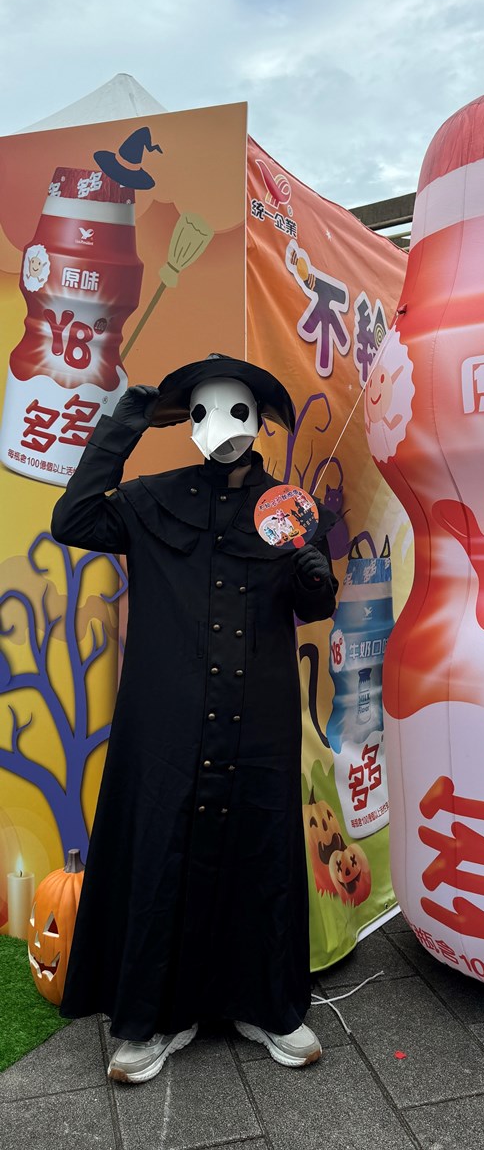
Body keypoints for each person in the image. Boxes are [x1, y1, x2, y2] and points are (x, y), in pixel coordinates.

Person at [51, 353, 339, 1084]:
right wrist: (124, 425)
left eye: (238, 411)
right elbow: (73, 517)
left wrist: (315, 576)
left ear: (259, 421)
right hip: (166, 721)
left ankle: (266, 1007)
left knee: (259, 852)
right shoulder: (151, 500)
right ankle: (152, 1017)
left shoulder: (288, 510)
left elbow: (313, 605)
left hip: (259, 720)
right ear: (189, 422)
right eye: (206, 411)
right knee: (161, 852)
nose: (223, 427)